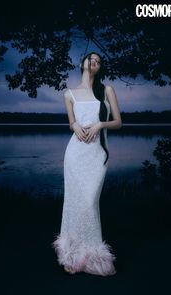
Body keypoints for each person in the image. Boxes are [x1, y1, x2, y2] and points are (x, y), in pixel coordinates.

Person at [52, 51, 122, 276]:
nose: (93, 62)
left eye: (98, 61)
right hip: (75, 154)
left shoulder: (107, 90)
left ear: (99, 68)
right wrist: (75, 127)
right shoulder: (69, 94)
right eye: (90, 59)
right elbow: (71, 122)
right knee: (74, 204)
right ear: (82, 63)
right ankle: (72, 256)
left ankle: (92, 256)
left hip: (97, 155)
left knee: (90, 202)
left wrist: (100, 124)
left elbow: (119, 123)